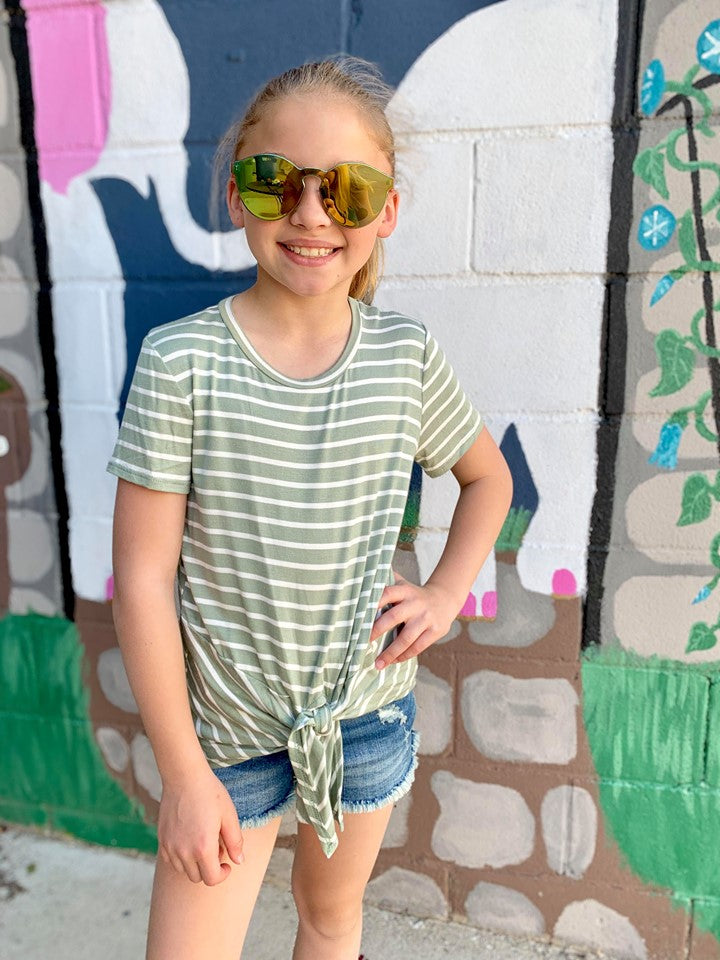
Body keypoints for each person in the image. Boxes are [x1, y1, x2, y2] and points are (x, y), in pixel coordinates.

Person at [108, 55, 513, 960]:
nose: (311, 213)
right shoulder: (181, 364)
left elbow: (488, 480)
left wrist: (445, 593)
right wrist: (182, 774)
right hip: (223, 742)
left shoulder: (404, 356)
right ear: (236, 195)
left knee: (331, 920)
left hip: (362, 719)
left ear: (386, 210)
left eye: (347, 190)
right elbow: (141, 579)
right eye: (275, 181)